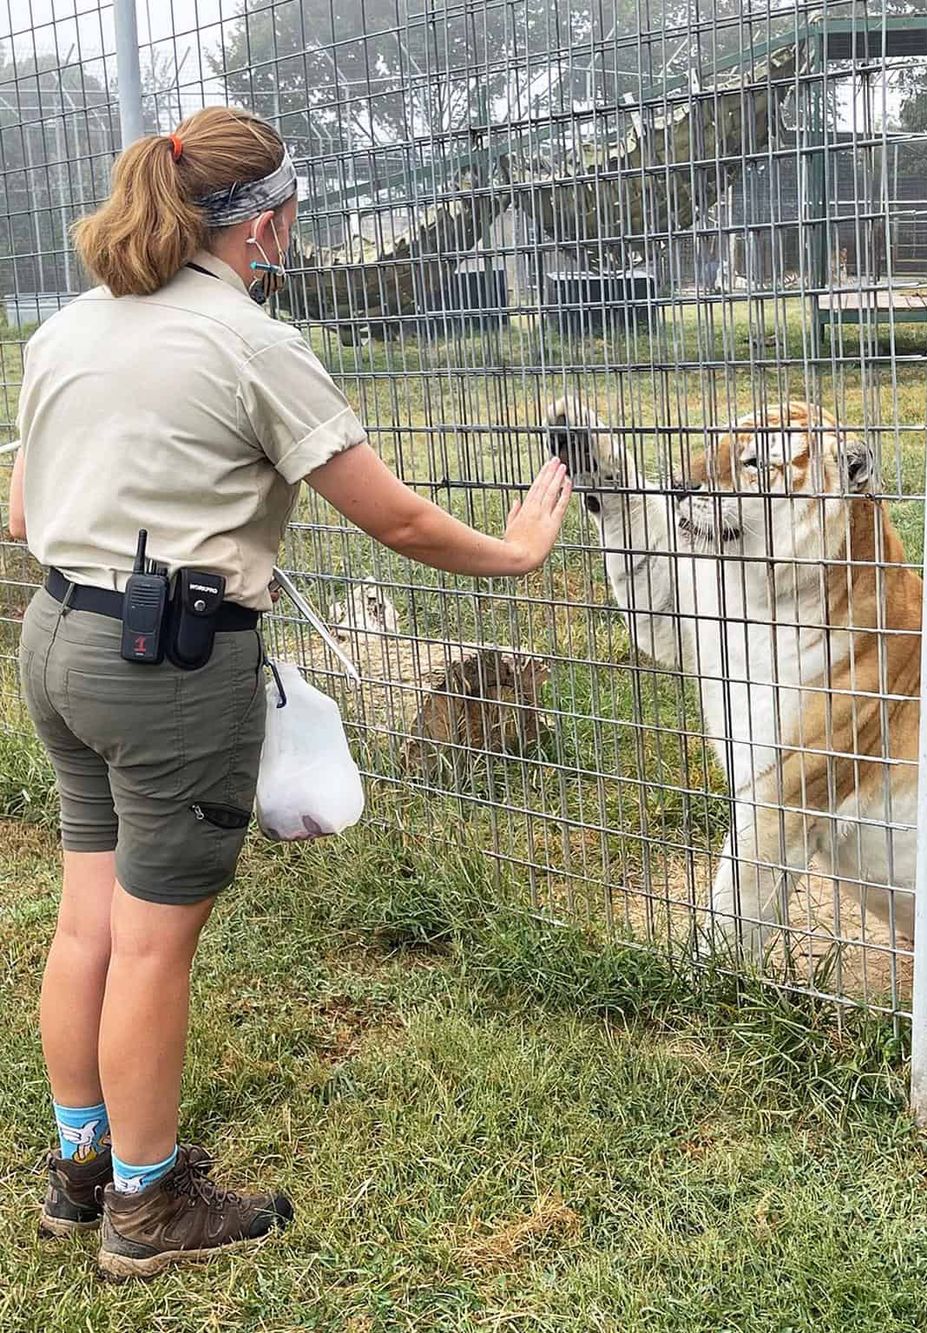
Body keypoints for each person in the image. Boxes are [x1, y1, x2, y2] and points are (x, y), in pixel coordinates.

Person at [9, 105, 571, 1280]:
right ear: (268, 222)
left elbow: (21, 514)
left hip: (57, 635)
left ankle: (80, 1163)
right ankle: (148, 1204)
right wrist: (517, 550)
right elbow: (396, 516)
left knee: (86, 920)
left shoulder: (65, 331)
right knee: (156, 945)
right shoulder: (251, 343)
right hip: (169, 665)